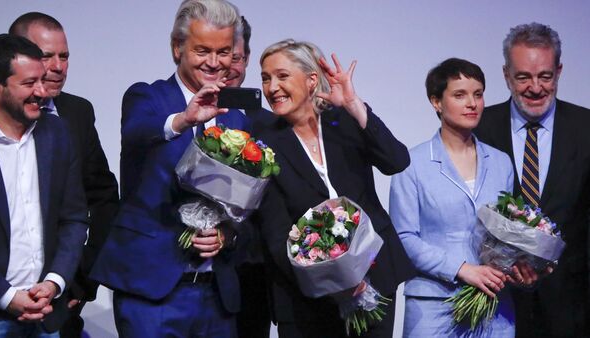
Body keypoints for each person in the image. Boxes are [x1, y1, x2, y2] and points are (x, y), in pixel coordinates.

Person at [90, 0, 249, 337]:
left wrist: (227, 234)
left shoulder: (234, 116)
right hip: (152, 292)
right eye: (202, 50)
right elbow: (137, 130)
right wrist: (183, 120)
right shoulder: (146, 97)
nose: (214, 62)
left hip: (217, 295)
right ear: (177, 48)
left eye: (223, 52)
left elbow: (243, 203)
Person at [252, 39, 415, 338]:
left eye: (282, 76)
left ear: (311, 79)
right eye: (265, 78)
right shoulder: (264, 144)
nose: (272, 87)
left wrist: (355, 105)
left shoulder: (345, 120)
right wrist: (331, 282)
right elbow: (275, 234)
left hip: (375, 280)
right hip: (306, 298)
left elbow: (397, 160)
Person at [389, 58, 524, 337]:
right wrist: (462, 269)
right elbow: (404, 237)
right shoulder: (411, 163)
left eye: (478, 94)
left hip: (493, 306)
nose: (472, 103)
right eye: (459, 95)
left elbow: (507, 231)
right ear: (436, 102)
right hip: (433, 306)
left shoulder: (501, 163)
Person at [474, 22, 590, 338]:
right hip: (495, 303)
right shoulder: (478, 129)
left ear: (559, 71)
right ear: (506, 75)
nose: (535, 87)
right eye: (523, 76)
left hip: (571, 308)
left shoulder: (586, 128)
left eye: (545, 76)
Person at [8, 12, 120, 337]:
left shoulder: (77, 113)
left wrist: (80, 282)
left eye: (65, 55)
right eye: (47, 56)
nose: (59, 66)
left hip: (59, 299)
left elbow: (103, 199)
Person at [0, 34, 88, 337]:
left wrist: (55, 282)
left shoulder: (57, 133)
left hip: (46, 315)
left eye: (42, 81)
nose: (42, 92)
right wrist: (7, 297)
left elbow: (73, 218)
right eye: (29, 84)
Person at [225, 16, 272, 338]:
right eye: (221, 56)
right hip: (186, 273)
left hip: (252, 273)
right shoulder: (178, 119)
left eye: (237, 58)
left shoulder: (271, 124)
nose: (228, 66)